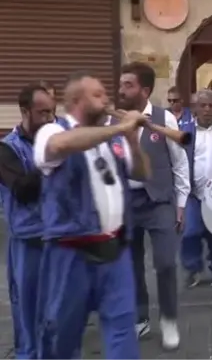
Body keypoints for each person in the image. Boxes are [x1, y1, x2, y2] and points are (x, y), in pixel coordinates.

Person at [34, 71, 151, 359]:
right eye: (98, 95)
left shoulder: (113, 138)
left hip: (116, 250)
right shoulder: (51, 131)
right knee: (62, 334)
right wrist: (119, 128)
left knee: (123, 329)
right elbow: (62, 146)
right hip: (71, 254)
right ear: (76, 101)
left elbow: (142, 173)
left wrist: (133, 139)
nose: (107, 99)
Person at [117, 62, 190, 349]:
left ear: (144, 90)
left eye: (128, 85)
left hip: (159, 200)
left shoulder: (164, 120)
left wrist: (181, 204)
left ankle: (169, 319)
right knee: (131, 264)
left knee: (165, 263)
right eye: (121, 84)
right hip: (126, 204)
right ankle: (140, 317)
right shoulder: (113, 120)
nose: (121, 90)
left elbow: (180, 163)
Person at [0, 84, 55, 360]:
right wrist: (48, 160)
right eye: (42, 112)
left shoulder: (56, 139)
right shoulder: (7, 149)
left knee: (57, 312)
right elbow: (22, 190)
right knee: (28, 311)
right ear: (25, 112)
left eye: (52, 112)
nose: (49, 119)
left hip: (58, 239)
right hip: (28, 243)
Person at [179, 90, 212, 288]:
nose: (208, 110)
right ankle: (193, 268)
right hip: (194, 194)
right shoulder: (185, 131)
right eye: (203, 105)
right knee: (190, 232)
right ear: (194, 108)